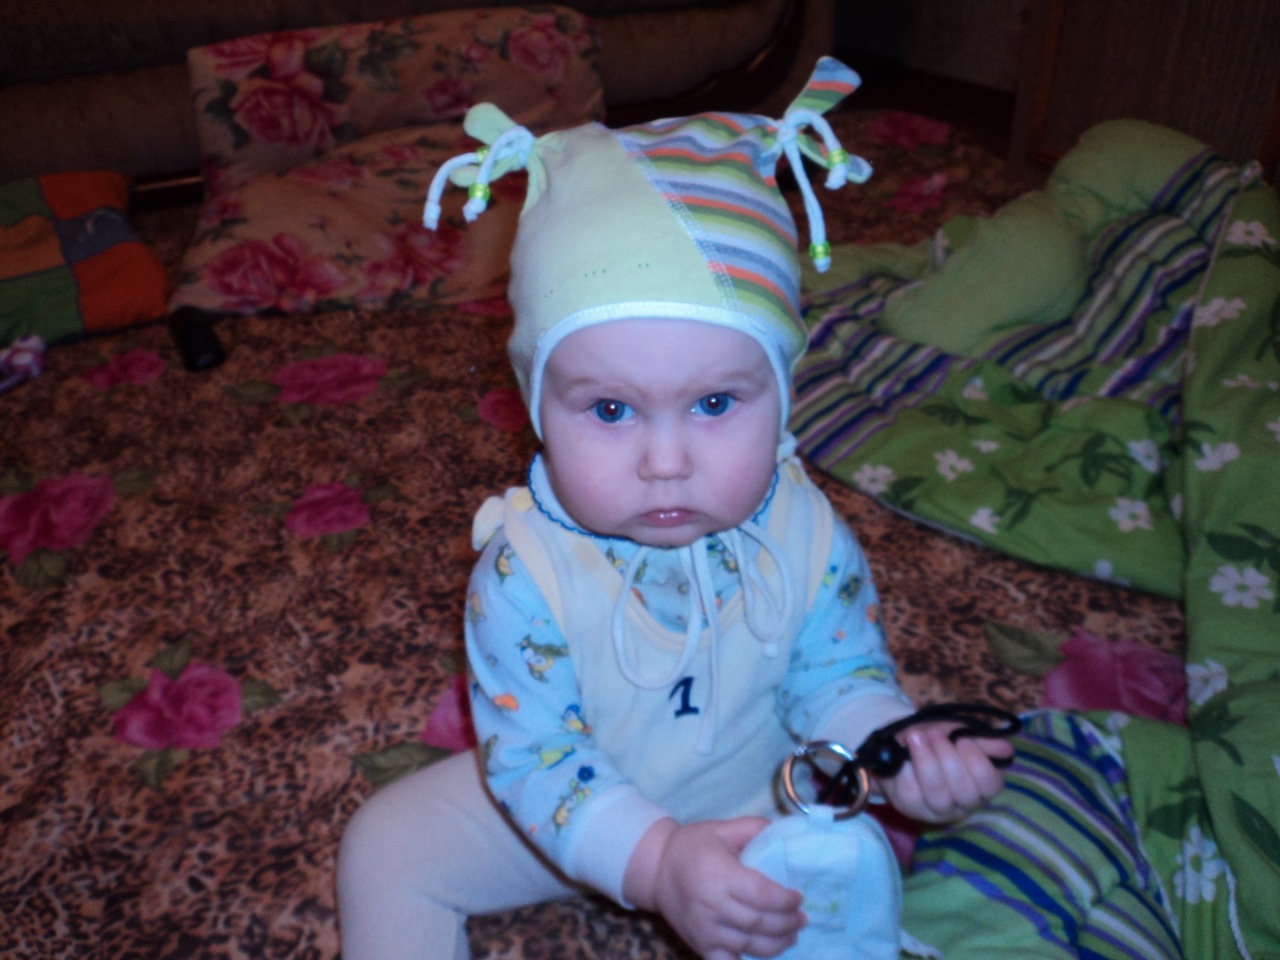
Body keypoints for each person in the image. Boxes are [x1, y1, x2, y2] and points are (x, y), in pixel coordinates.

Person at [337, 58, 1012, 960]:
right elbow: (537, 758)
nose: (665, 462)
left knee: (829, 913)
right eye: (611, 410)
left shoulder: (809, 534)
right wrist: (654, 861)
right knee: (385, 846)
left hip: (764, 805)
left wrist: (898, 751)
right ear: (536, 408)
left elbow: (836, 677)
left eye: (715, 403)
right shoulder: (522, 574)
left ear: (783, 398)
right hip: (579, 809)